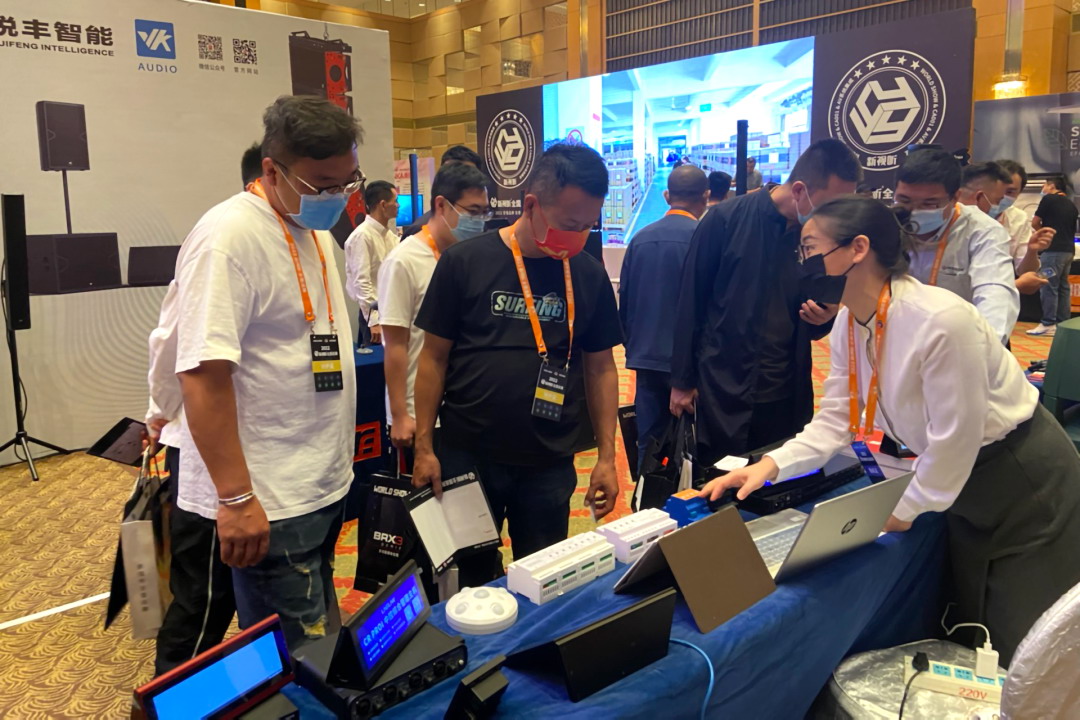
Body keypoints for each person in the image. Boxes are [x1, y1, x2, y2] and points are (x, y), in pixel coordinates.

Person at [698, 196, 1080, 665]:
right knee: (972, 620)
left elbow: (956, 438)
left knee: (1024, 638)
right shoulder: (850, 320)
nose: (801, 261)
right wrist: (771, 465)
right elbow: (837, 418)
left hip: (1021, 479)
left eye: (809, 248)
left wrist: (902, 510)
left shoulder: (940, 321)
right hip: (959, 481)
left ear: (857, 248)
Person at [173, 95, 361, 649]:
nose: (336, 198)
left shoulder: (313, 229)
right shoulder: (227, 238)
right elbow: (202, 377)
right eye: (321, 185)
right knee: (300, 661)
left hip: (318, 480)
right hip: (268, 497)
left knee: (321, 643)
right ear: (272, 170)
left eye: (347, 182)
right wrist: (235, 498)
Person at [410, 144, 623, 584]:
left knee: (544, 578)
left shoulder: (587, 273)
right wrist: (425, 447)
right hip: (469, 455)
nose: (579, 236)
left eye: (588, 225)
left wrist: (607, 456)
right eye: (569, 225)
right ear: (530, 205)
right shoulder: (464, 262)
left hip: (548, 459)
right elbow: (432, 358)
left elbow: (602, 368)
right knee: (469, 581)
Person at [146, 145, 270, 674]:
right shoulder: (223, 240)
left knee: (236, 595)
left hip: (250, 452)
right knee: (204, 597)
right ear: (267, 178)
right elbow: (171, 348)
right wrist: (159, 412)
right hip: (203, 454)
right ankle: (170, 697)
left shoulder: (285, 238)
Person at [669, 138, 861, 465]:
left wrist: (825, 315)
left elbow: (818, 317)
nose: (837, 217)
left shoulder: (824, 239)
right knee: (719, 481)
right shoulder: (726, 220)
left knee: (779, 479)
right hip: (723, 387)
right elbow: (690, 301)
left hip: (787, 390)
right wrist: (681, 382)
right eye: (831, 205)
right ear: (799, 190)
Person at [379, 163, 491, 451]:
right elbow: (395, 345)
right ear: (441, 205)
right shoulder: (403, 261)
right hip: (420, 414)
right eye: (472, 212)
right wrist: (399, 415)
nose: (479, 221)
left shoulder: (470, 258)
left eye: (484, 212)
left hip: (465, 407)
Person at [619, 166, 708, 469]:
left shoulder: (640, 239)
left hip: (646, 359)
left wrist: (634, 347)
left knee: (649, 445)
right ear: (706, 196)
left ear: (667, 196)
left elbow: (626, 303)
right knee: (693, 447)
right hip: (693, 366)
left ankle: (646, 495)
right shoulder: (706, 240)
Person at [891, 148, 1019, 343]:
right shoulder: (888, 222)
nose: (914, 211)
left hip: (960, 339)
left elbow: (995, 293)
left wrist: (985, 348)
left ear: (955, 197)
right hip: (900, 333)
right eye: (905, 200)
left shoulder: (982, 231)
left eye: (929, 204)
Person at [344, 181, 399, 348]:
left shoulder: (389, 236)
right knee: (377, 361)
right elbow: (362, 281)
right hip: (375, 314)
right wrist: (374, 320)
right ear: (383, 205)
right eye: (395, 201)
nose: (398, 205)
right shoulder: (362, 236)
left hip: (391, 310)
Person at [1028, 174, 1078, 336]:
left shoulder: (1048, 199)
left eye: (1045, 185)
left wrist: (1042, 236)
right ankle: (1063, 324)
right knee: (1063, 287)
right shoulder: (1071, 204)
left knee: (1047, 285)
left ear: (1051, 186)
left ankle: (1048, 323)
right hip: (1068, 251)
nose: (1043, 188)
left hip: (1052, 251)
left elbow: (1035, 222)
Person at [995, 159, 1053, 295]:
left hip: (1001, 295)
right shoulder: (964, 213)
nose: (1002, 196)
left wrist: (1032, 250)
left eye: (1010, 192)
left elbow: (1025, 272)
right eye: (998, 189)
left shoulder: (1018, 218)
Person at [401, 145, 484, 239]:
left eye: (469, 174)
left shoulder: (480, 226)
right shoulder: (418, 230)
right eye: (454, 173)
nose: (461, 179)